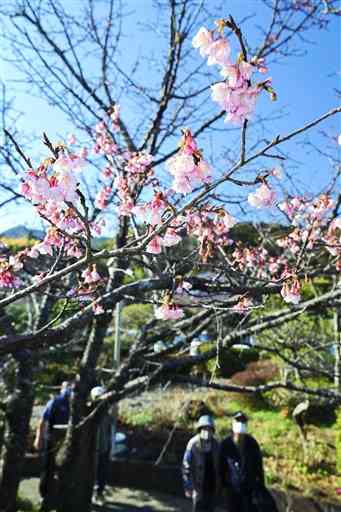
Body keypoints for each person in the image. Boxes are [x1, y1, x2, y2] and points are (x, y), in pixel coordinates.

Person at [219, 411, 278, 512]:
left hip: (249, 489)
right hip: (232, 490)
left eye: (243, 421)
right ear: (232, 423)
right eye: (238, 421)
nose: (240, 424)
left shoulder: (252, 443)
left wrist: (261, 486)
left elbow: (259, 466)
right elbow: (220, 467)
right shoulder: (225, 444)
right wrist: (222, 487)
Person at [34, 381, 71, 511]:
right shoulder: (55, 402)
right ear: (62, 388)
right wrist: (38, 438)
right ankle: (44, 496)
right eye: (66, 387)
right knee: (47, 469)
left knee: (63, 470)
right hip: (51, 441)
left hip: (66, 442)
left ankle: (60, 498)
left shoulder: (74, 403)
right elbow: (43, 420)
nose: (68, 390)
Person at [182, 415, 220, 512]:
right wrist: (188, 486)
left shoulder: (216, 444)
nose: (207, 432)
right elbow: (186, 466)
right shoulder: (193, 444)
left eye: (209, 429)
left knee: (211, 508)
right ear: (200, 430)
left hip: (212, 486)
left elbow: (221, 465)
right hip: (198, 486)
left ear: (212, 430)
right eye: (204, 428)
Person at [91, 386, 114, 504]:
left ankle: (99, 494)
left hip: (103, 447)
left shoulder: (107, 414)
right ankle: (91, 494)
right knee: (92, 472)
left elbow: (111, 430)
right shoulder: (89, 414)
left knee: (102, 472)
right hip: (91, 449)